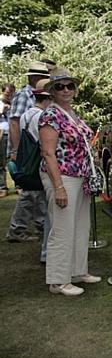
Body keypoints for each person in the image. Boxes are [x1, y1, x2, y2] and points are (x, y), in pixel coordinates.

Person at [39, 68, 101, 296]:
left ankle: (77, 271)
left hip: (80, 176)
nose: (66, 90)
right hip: (62, 176)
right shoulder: (50, 116)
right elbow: (48, 153)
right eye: (60, 86)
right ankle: (58, 280)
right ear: (52, 91)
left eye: (69, 86)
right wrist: (58, 187)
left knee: (81, 225)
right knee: (63, 228)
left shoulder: (72, 113)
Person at [5, 62, 49, 243]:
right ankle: (21, 228)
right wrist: (16, 151)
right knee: (32, 191)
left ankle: (36, 225)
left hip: (30, 152)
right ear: (33, 77)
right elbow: (14, 123)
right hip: (29, 153)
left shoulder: (31, 99)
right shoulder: (25, 95)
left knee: (34, 191)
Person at [21, 79, 52, 263]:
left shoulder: (27, 115)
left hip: (31, 164)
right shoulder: (41, 117)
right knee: (50, 211)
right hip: (42, 164)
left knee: (41, 205)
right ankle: (47, 252)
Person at [0, 83, 15, 197]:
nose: (8, 96)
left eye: (10, 94)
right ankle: (2, 187)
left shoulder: (15, 103)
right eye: (6, 94)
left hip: (13, 133)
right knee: (1, 162)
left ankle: (19, 185)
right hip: (2, 134)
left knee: (14, 160)